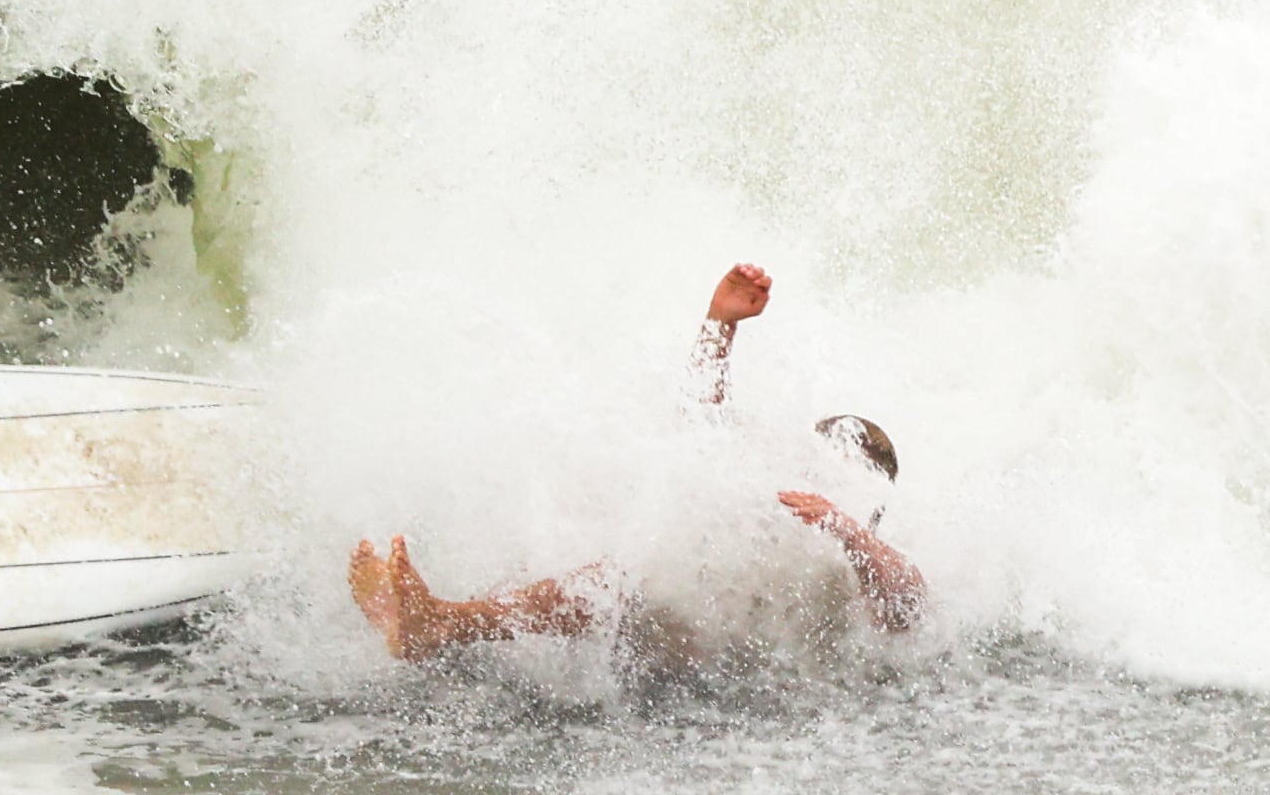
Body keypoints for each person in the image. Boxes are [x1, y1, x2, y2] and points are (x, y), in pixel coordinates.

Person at [346, 260, 923, 662]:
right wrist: (720, 324)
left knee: (628, 584)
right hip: (683, 636)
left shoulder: (863, 550)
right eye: (816, 458)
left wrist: (845, 528)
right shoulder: (778, 495)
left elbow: (908, 603)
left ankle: (446, 625)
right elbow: (701, 429)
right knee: (617, 559)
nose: (816, 472)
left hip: (735, 674)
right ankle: (442, 624)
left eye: (839, 469)